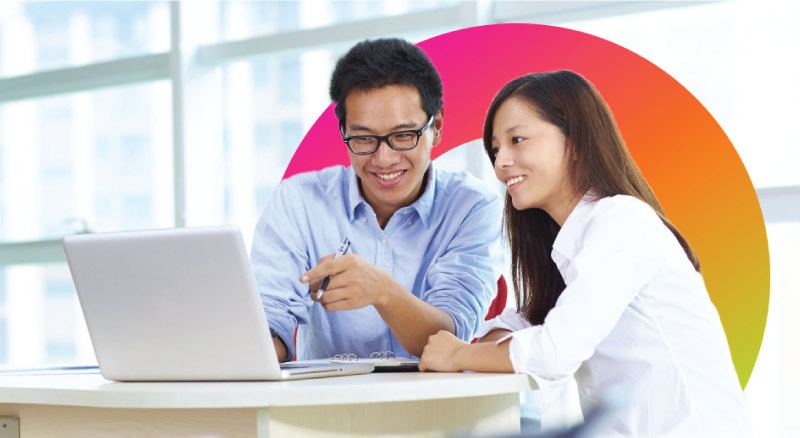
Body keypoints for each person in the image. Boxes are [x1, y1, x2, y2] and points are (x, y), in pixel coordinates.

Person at [418, 70, 751, 437]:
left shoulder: (621, 221)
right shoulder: (571, 241)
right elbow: (523, 327)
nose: (500, 163)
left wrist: (457, 354)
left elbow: (553, 351)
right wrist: (487, 346)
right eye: (496, 149)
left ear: (575, 143)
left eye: (517, 140)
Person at [251, 38, 503, 362]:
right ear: (343, 131)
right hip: (327, 408)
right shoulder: (298, 201)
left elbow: (450, 338)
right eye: (364, 138)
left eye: (402, 136)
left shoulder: (472, 207)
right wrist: (252, 349)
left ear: (436, 127)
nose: (384, 159)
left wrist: (381, 290)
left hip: (438, 406)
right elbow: (270, 319)